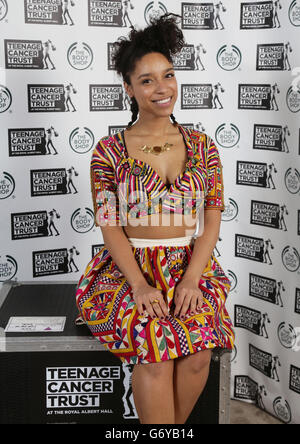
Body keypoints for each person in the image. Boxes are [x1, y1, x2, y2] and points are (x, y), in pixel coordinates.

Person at [75, 12, 235, 424]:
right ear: (129, 88)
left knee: (199, 352)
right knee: (156, 355)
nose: (162, 89)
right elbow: (110, 225)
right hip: (129, 270)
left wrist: (191, 278)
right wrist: (141, 285)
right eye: (147, 80)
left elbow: (212, 218)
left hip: (190, 265)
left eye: (167, 75)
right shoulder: (108, 152)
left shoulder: (202, 146)